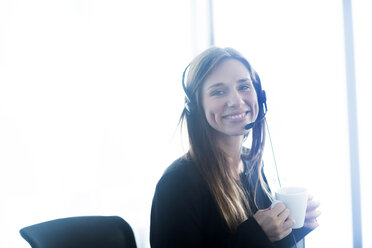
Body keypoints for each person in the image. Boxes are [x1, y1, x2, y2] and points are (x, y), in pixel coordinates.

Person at [150, 47, 320, 248]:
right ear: (196, 106)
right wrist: (256, 235)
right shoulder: (177, 183)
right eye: (219, 91)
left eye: (244, 87)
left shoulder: (252, 165)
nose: (236, 101)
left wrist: (294, 227)